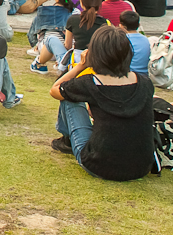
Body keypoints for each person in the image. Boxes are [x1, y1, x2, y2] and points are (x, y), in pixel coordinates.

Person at [50, 26, 157, 180]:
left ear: (95, 53)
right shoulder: (145, 83)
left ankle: (67, 140)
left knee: (68, 98)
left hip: (99, 165)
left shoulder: (89, 83)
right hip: (141, 167)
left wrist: (81, 66)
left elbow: (55, 90)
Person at [118, 11, 151, 75]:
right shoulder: (145, 39)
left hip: (129, 75)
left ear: (121, 26)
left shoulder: (122, 40)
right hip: (145, 74)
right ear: (139, 25)